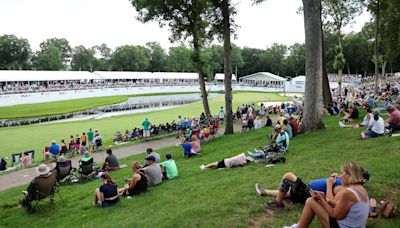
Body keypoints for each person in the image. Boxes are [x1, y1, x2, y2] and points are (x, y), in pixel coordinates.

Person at [284, 162, 369, 228]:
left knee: (310, 201)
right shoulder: (360, 189)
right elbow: (341, 207)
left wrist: (321, 199)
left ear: (349, 175)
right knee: (314, 200)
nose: (340, 176)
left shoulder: (349, 193)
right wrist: (326, 200)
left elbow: (335, 215)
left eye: (342, 173)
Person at [256, 172, 345, 209]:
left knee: (288, 176)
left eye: (343, 173)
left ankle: (278, 202)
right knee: (289, 193)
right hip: (308, 191)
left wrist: (329, 185)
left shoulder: (340, 187)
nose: (341, 174)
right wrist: (333, 177)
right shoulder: (341, 182)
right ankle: (265, 191)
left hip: (311, 194)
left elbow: (334, 203)